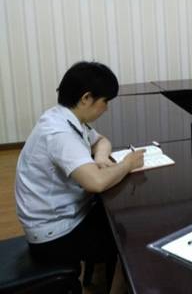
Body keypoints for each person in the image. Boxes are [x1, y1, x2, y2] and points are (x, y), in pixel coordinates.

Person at [15, 61, 145, 293]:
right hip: (54, 234)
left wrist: (100, 157)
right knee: (129, 240)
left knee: (120, 218)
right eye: (105, 101)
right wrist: (127, 164)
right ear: (86, 98)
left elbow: (101, 140)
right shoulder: (60, 133)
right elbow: (96, 183)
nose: (106, 108)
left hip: (64, 215)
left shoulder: (64, 117)